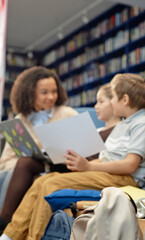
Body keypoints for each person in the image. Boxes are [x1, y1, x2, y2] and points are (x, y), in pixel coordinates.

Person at [0, 73, 145, 240]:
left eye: (112, 97)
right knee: (42, 181)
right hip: (109, 175)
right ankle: (9, 235)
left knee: (52, 184)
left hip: (124, 178)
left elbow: (130, 165)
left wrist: (89, 166)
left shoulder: (142, 124)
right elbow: (108, 158)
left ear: (125, 100)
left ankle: (32, 238)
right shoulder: (124, 124)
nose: (110, 102)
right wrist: (82, 164)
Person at [0, 66, 78, 229]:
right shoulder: (20, 120)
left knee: (34, 173)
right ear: (29, 93)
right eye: (44, 92)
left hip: (61, 168)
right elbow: (5, 162)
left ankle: (6, 225)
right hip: (30, 170)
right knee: (26, 165)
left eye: (54, 91)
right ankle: (10, 225)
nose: (51, 97)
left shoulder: (67, 114)